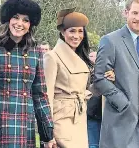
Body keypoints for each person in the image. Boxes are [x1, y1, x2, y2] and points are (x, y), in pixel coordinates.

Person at [0, 0, 55, 148]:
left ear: (30, 24)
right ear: (8, 20)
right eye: (16, 18)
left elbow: (40, 95)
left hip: (25, 126)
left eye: (25, 20)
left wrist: (48, 132)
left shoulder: (35, 52)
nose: (20, 24)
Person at [93, 0, 139, 148]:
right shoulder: (110, 41)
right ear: (126, 12)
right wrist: (123, 103)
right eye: (134, 13)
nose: (138, 17)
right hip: (119, 125)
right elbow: (100, 77)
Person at [43, 8, 114, 148]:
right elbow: (46, 96)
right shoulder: (52, 57)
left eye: (80, 31)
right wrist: (48, 134)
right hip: (60, 123)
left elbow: (84, 92)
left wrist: (105, 81)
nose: (76, 36)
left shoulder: (79, 58)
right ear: (63, 32)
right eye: (72, 31)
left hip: (80, 119)